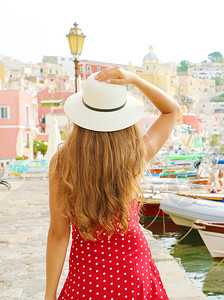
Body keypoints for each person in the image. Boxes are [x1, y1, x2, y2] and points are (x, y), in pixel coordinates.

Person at [45, 66, 180, 300]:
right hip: (134, 275)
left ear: (81, 115)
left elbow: (58, 234)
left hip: (87, 281)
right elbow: (171, 111)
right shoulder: (135, 154)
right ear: (123, 115)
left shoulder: (63, 163)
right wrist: (135, 80)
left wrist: (49, 294)